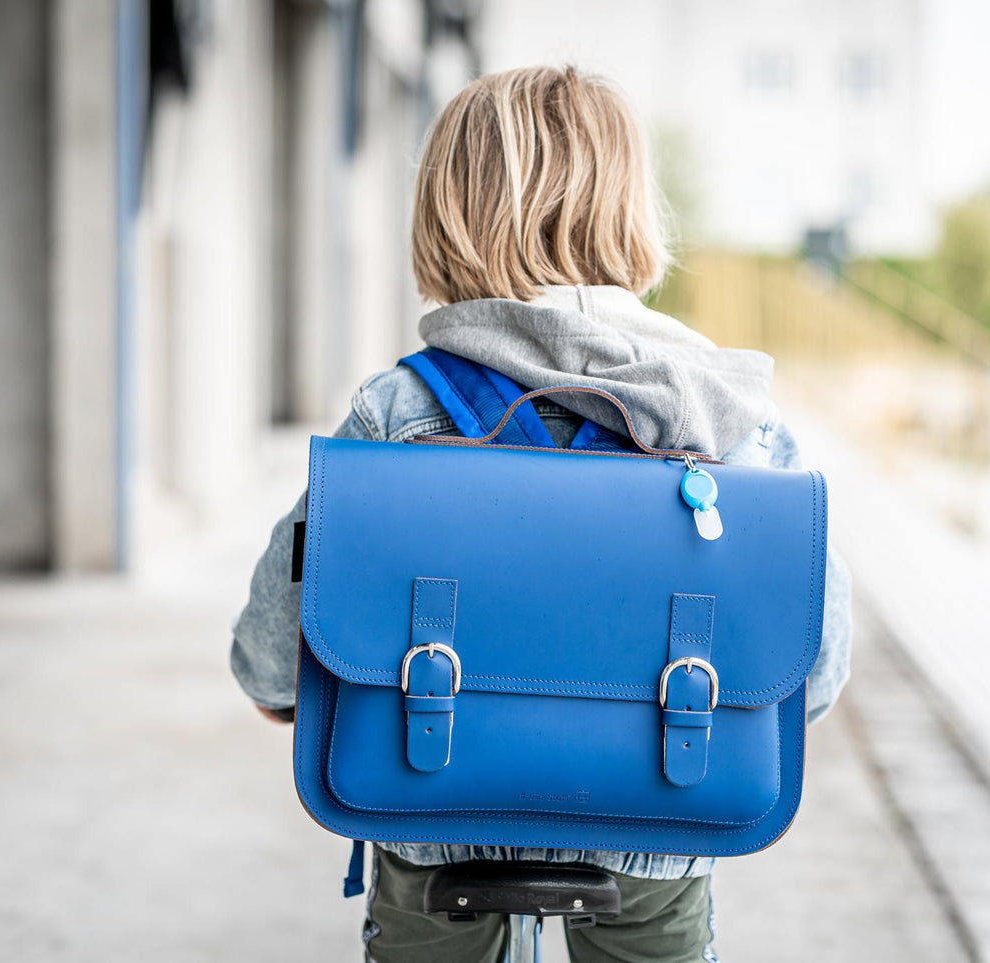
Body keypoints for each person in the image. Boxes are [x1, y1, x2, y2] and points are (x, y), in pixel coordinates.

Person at [231, 64, 852, 963]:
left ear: (448, 211)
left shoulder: (396, 414)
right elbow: (819, 674)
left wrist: (279, 687)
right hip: (657, 830)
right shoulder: (736, 421)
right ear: (630, 209)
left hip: (428, 811)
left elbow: (272, 646)